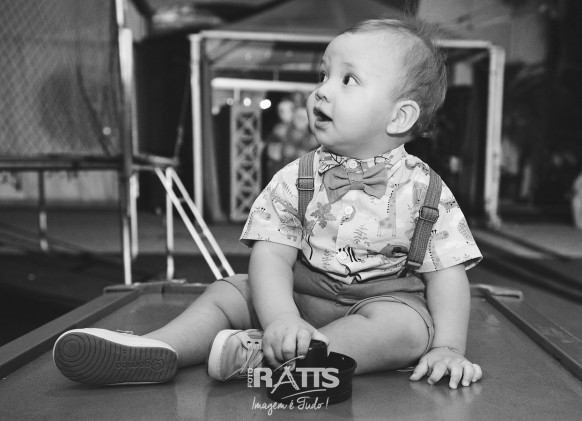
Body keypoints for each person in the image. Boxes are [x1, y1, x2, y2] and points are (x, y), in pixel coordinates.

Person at [53, 18, 483, 390]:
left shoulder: (427, 190)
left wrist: (448, 347)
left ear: (400, 117)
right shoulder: (297, 176)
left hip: (380, 303)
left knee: (407, 330)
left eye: (347, 80)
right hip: (299, 294)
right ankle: (161, 347)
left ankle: (271, 357)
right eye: (323, 75)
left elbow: (447, 275)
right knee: (227, 293)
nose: (321, 91)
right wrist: (280, 317)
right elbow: (273, 255)